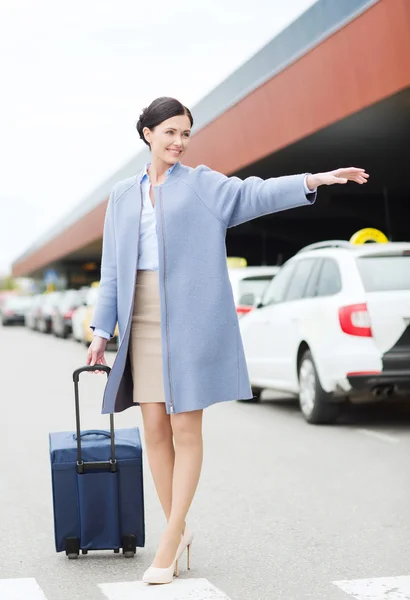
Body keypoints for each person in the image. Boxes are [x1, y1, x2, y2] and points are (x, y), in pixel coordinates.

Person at [86, 96, 369, 585]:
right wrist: (100, 330)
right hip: (143, 318)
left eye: (186, 134)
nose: (178, 142)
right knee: (154, 426)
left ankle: (170, 539)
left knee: (185, 429)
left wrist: (312, 181)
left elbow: (253, 193)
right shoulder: (121, 196)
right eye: (170, 132)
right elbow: (113, 268)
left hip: (190, 320)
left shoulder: (201, 185)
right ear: (148, 134)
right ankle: (181, 529)